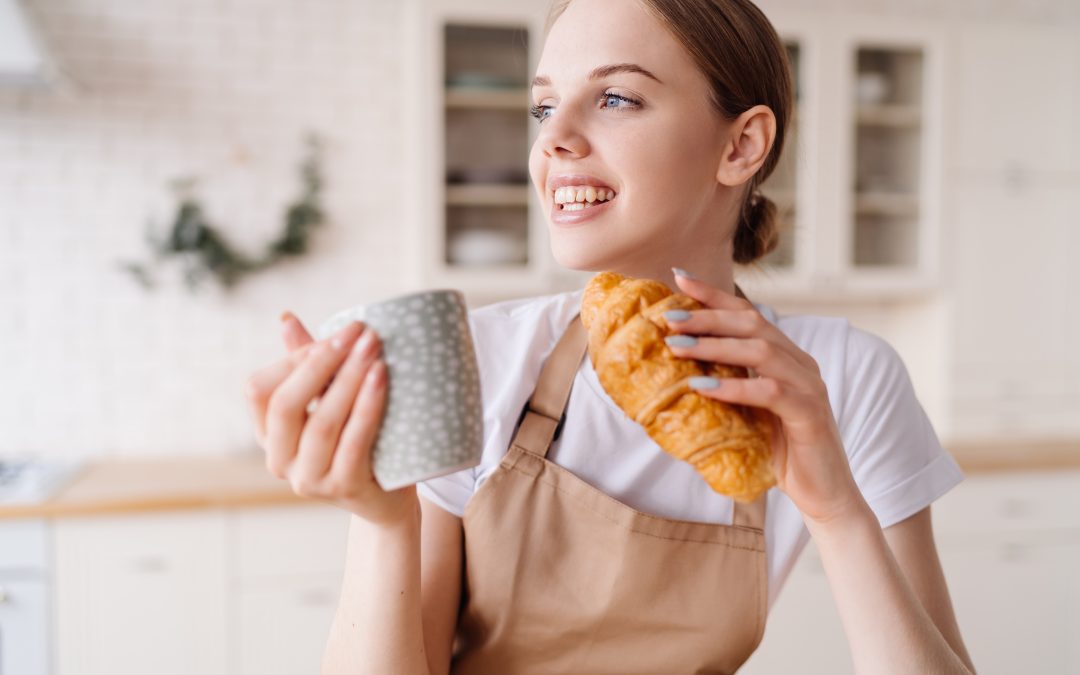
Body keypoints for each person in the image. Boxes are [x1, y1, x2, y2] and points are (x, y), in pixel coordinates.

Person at [243, 0, 977, 672]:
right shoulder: (483, 358)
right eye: (543, 107)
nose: (553, 140)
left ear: (742, 145)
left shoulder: (838, 377)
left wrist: (838, 512)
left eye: (616, 98)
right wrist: (383, 521)